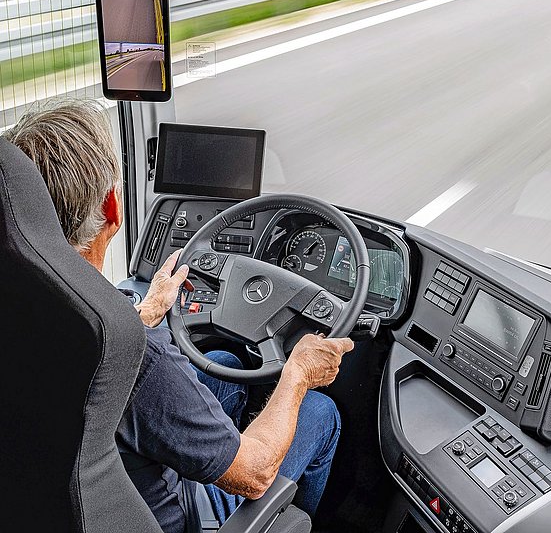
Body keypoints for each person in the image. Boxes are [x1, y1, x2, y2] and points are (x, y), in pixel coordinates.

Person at [3, 99, 354, 533]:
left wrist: (145, 312)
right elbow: (256, 473)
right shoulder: (132, 355)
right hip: (174, 518)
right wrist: (298, 373)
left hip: (67, 498)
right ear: (113, 208)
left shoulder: (21, 310)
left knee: (224, 365)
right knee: (319, 411)